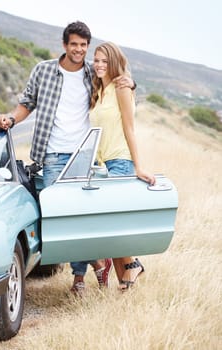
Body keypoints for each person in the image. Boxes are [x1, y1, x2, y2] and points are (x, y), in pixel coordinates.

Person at [0, 21, 134, 294]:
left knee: (80, 217)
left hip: (84, 155)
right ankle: (97, 262)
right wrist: (11, 118)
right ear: (64, 45)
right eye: (74, 45)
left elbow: (113, 85)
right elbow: (27, 103)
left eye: (84, 45)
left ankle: (79, 278)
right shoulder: (44, 70)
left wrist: (131, 82)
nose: (79, 50)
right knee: (57, 217)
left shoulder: (91, 73)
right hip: (52, 155)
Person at [89, 41, 155, 291]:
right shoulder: (98, 90)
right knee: (108, 225)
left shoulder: (121, 88)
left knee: (110, 224)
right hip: (101, 165)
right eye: (96, 60)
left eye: (105, 61)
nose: (99, 65)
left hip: (120, 161)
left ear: (115, 63)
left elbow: (129, 128)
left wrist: (138, 167)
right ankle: (127, 278)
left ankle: (133, 265)